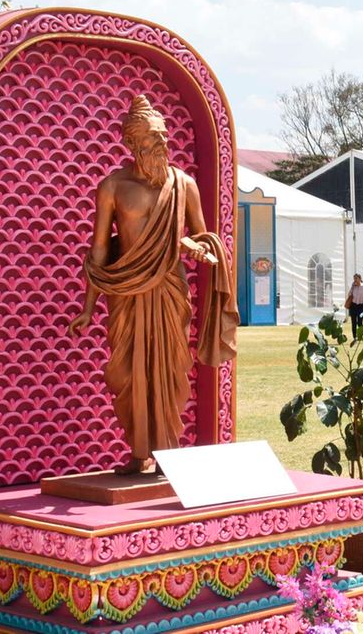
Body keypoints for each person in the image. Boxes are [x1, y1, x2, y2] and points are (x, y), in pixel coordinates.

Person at [69, 95, 238, 475]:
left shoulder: (184, 184)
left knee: (171, 369)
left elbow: (200, 235)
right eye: (152, 137)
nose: (162, 143)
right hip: (127, 290)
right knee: (128, 371)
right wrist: (88, 306)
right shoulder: (113, 186)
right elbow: (99, 249)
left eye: (163, 136)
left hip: (169, 289)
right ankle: (139, 452)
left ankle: (168, 455)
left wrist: (198, 247)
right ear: (131, 142)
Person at [345, 273, 363, 339]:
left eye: (356, 278)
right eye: (354, 279)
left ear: (360, 278)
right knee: (353, 323)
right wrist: (352, 287)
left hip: (360, 306)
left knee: (359, 323)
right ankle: (354, 337)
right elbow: (349, 294)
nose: (355, 280)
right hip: (353, 306)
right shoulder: (353, 286)